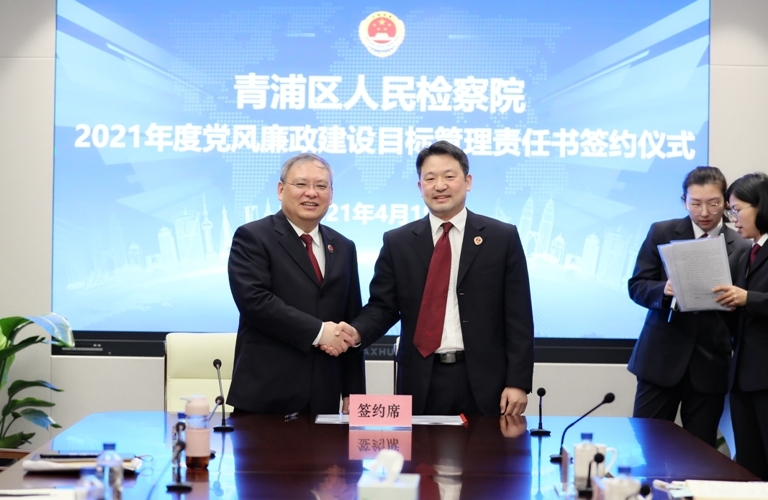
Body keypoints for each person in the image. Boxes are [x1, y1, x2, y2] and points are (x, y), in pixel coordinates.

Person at [332, 140, 534, 416]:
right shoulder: (398, 242)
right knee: (419, 447)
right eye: (430, 179)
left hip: (486, 379)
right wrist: (356, 332)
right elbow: (383, 307)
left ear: (468, 181)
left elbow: (519, 315)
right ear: (420, 187)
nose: (440, 186)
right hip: (420, 378)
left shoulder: (501, 237)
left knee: (488, 446)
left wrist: (518, 382)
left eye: (449, 176)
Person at [226, 153, 365, 415]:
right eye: (301, 184)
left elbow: (351, 319)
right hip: (266, 395)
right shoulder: (253, 237)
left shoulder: (344, 246)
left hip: (324, 395)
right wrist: (319, 332)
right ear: (281, 190)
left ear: (331, 195)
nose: (311, 193)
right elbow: (255, 302)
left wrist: (353, 390)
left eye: (321, 186)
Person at [627, 166, 750, 447]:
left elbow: (744, 310)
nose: (704, 212)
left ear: (726, 202)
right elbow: (637, 285)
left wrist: (734, 300)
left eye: (714, 204)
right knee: (647, 444)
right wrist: (664, 290)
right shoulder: (662, 232)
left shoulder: (741, 245)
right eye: (695, 204)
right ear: (684, 201)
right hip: (660, 360)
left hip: (710, 364)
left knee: (700, 452)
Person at [713, 172, 768, 479]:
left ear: (761, 205)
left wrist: (749, 299)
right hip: (743, 378)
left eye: (736, 209)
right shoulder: (748, 252)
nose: (733, 219)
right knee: (749, 468)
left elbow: (754, 301)